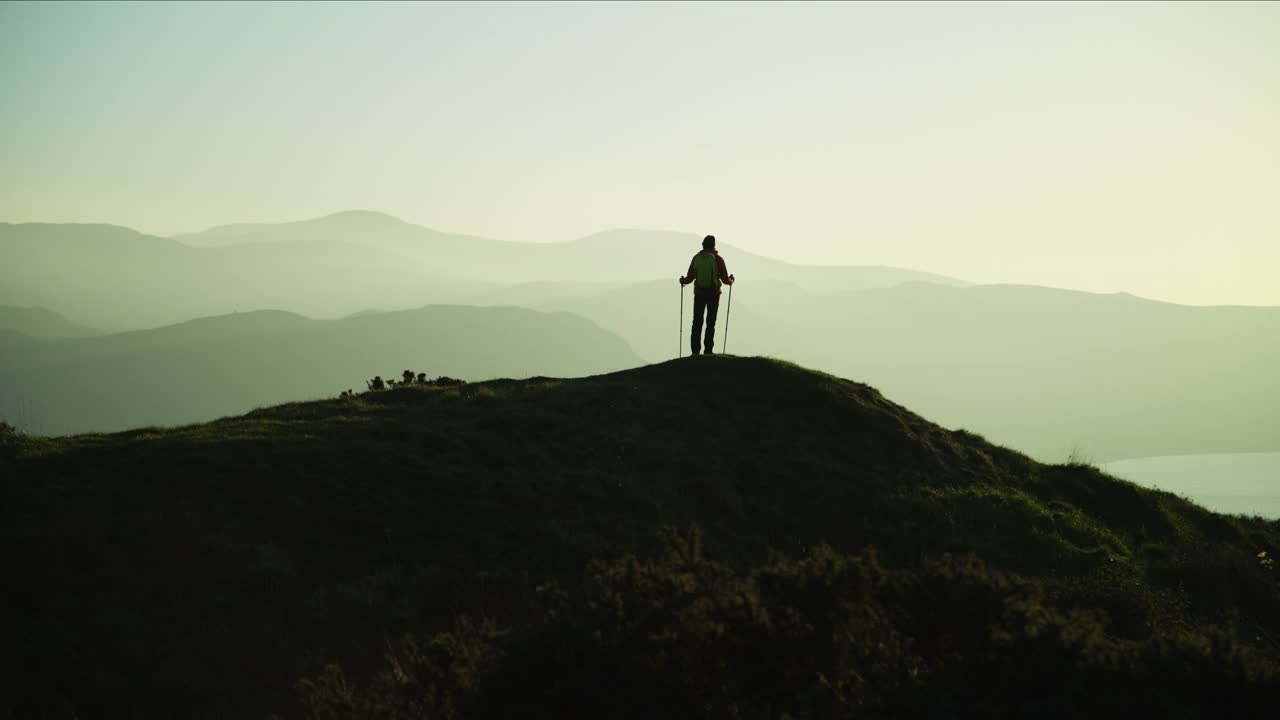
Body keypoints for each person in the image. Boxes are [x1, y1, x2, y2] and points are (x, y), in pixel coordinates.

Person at [679, 234, 734, 356]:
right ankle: (708, 351)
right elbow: (725, 280)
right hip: (714, 295)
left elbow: (689, 278)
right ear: (714, 245)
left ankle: (695, 351)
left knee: (697, 322)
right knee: (711, 322)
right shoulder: (718, 259)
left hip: (699, 294)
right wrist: (731, 280)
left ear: (703, 245)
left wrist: (682, 281)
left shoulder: (696, 258)